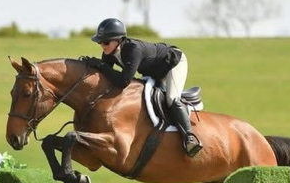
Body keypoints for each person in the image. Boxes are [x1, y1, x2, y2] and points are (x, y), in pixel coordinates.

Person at [81, 18, 203, 157]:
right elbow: (107, 78)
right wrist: (93, 68)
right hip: (153, 71)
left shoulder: (133, 49)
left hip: (172, 63)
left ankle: (190, 139)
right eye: (99, 42)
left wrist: (101, 65)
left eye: (106, 42)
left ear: (119, 40)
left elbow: (123, 80)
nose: (102, 45)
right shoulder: (109, 53)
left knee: (171, 98)